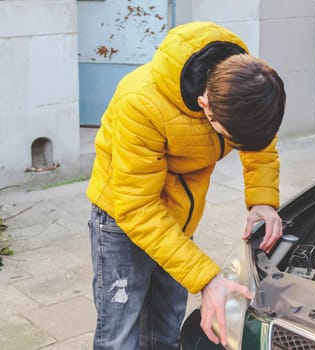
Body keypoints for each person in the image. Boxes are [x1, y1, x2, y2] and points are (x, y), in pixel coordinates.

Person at [86, 21, 286, 350]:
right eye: (232, 140)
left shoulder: (244, 85)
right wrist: (206, 278)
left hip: (178, 219)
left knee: (165, 331)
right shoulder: (140, 103)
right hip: (121, 221)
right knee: (119, 337)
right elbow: (137, 207)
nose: (238, 148)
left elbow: (260, 144)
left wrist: (262, 200)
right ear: (206, 106)